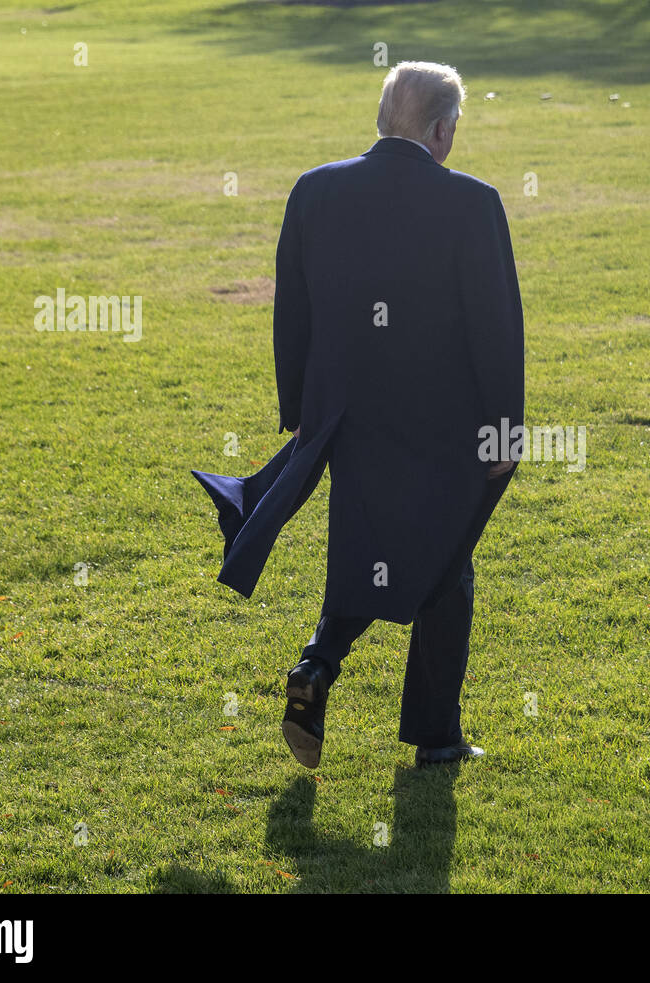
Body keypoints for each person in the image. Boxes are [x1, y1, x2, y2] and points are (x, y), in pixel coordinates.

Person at [191, 61, 524, 770]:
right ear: (442, 130)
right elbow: (495, 326)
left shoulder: (317, 189)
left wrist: (300, 411)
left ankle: (318, 666)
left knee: (378, 550)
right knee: (447, 559)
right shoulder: (474, 202)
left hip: (346, 414)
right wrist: (505, 428)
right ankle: (433, 733)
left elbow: (293, 307)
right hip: (445, 420)